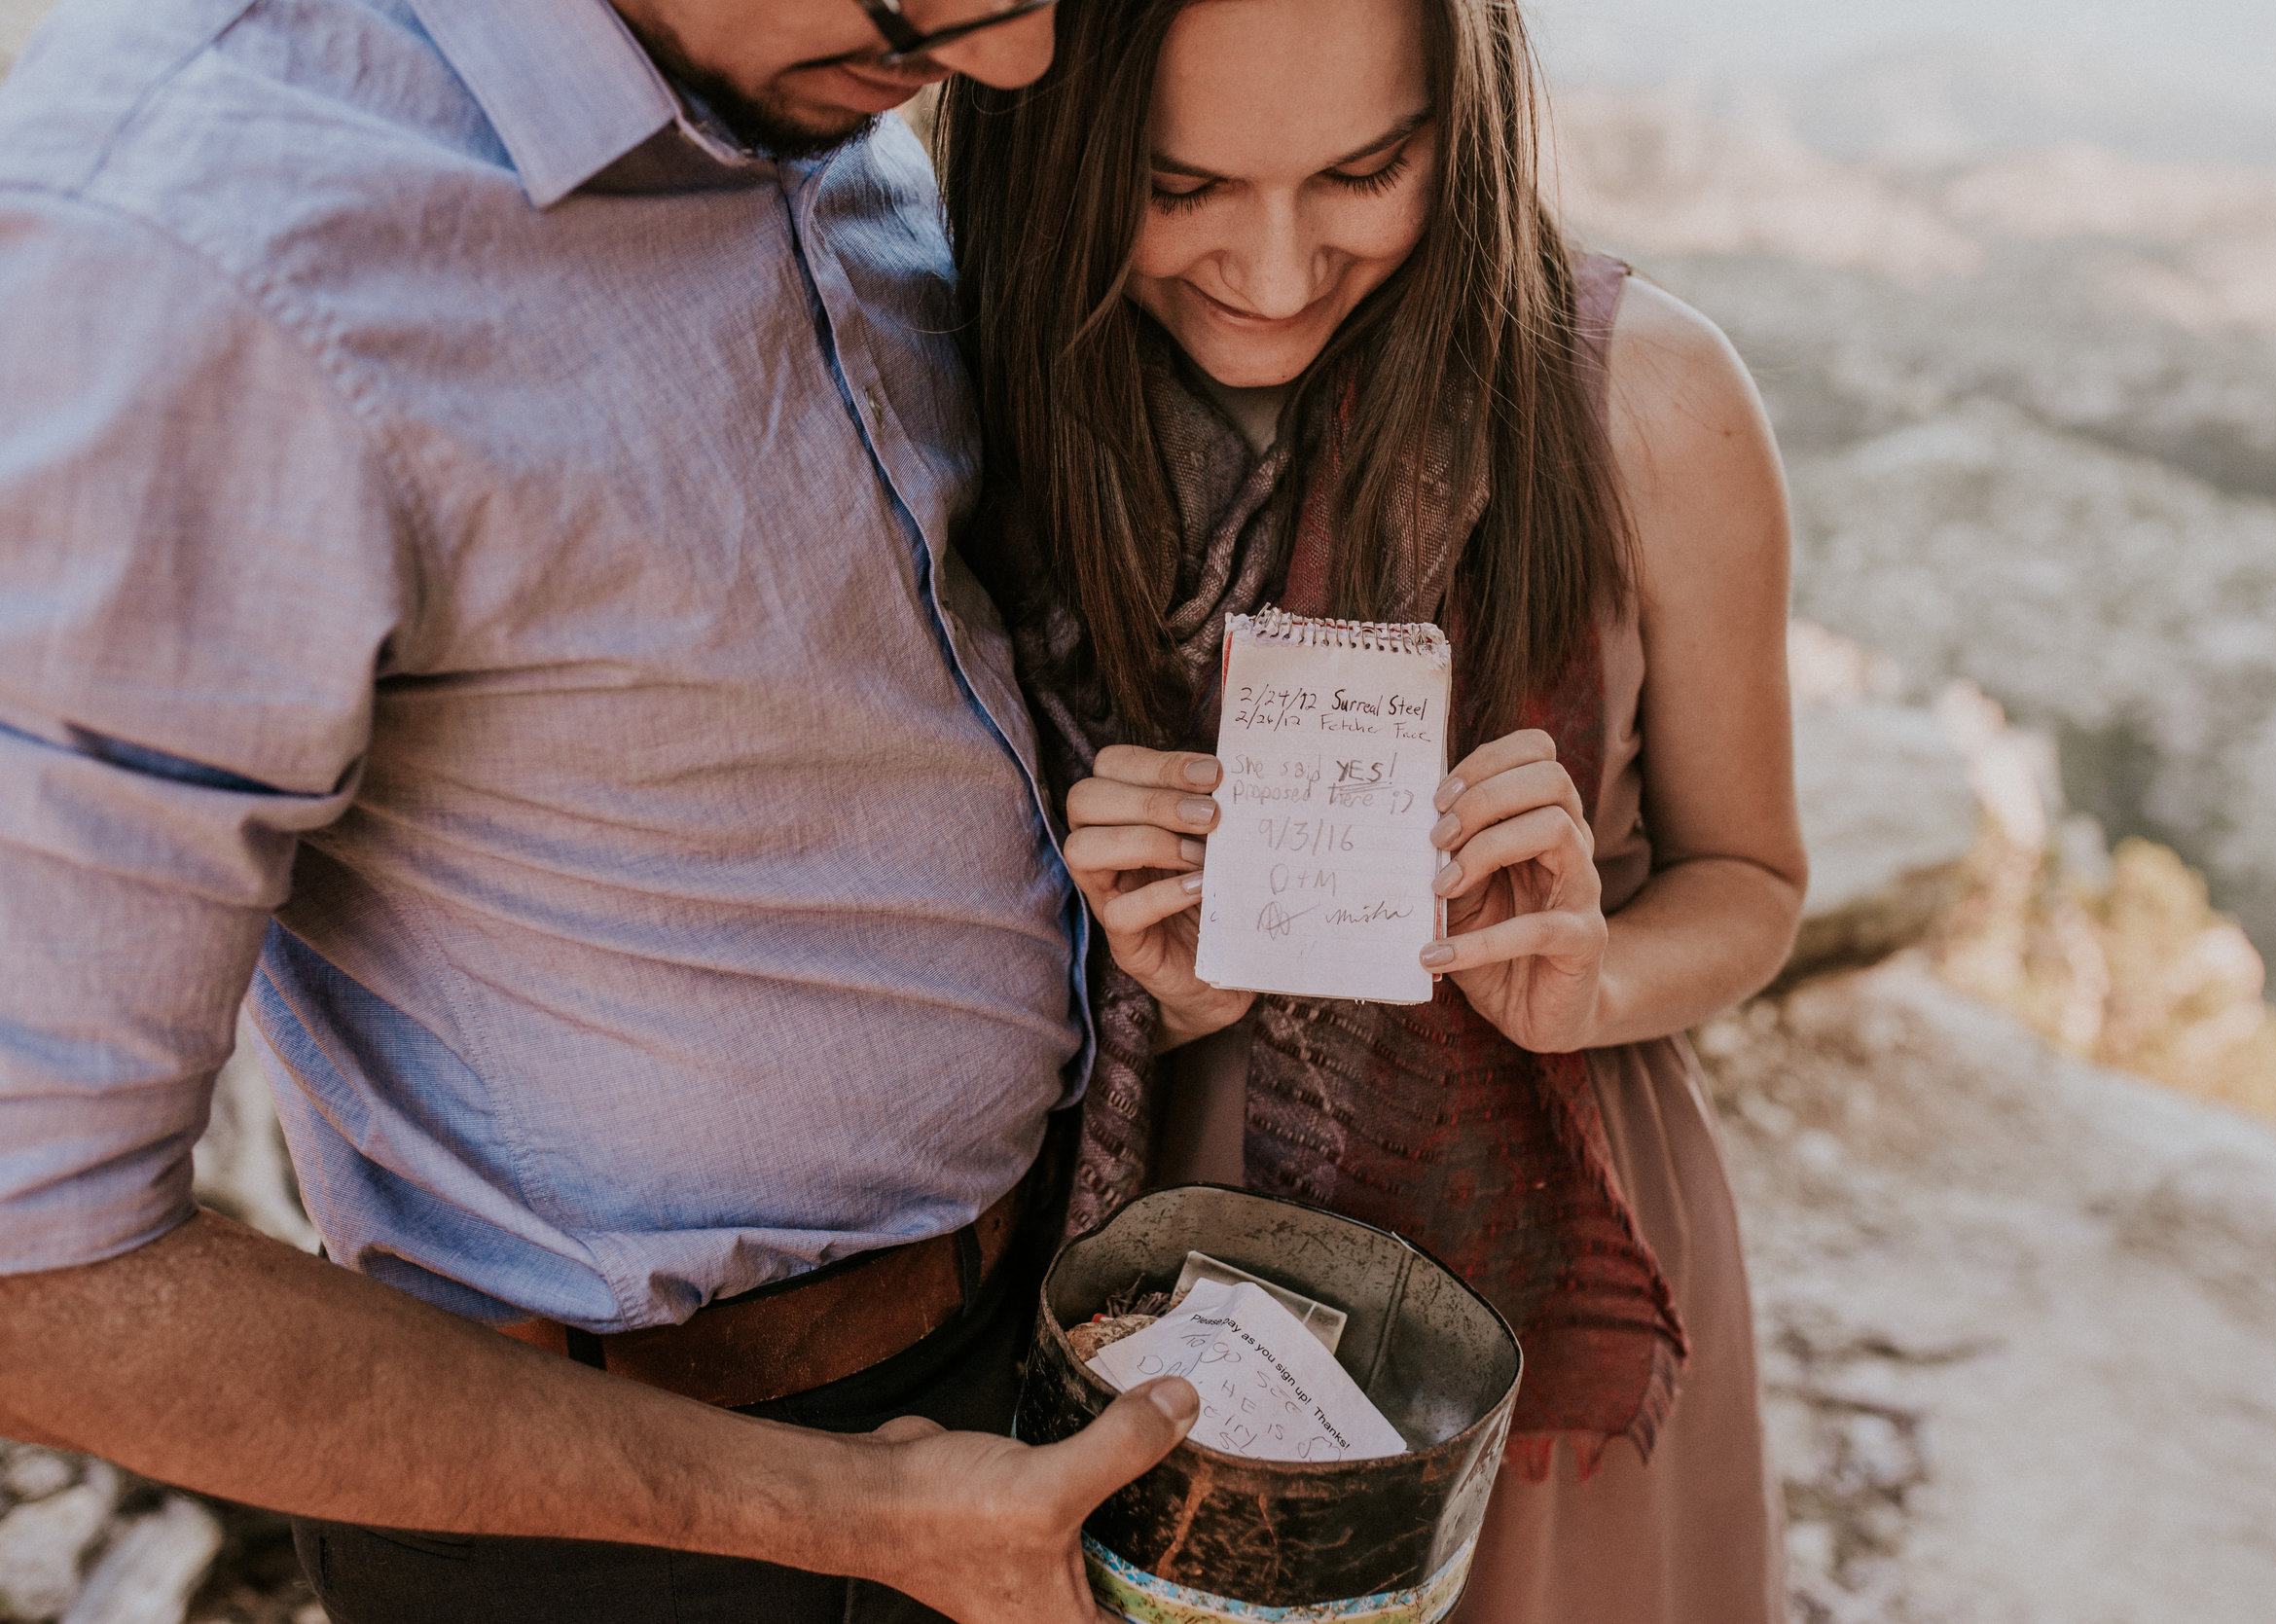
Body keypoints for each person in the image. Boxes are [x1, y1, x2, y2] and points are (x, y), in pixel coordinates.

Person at [0, 1, 1206, 1620]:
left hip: (1004, 1371)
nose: (1014, 65)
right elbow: (33, 1274)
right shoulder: (177, 246)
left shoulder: (797, 78)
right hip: (621, 1530)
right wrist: (858, 1511)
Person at [940, 0, 1806, 1616]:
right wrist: (1140, 986)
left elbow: (1753, 878)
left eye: (1363, 172)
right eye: (1176, 185)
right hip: (1141, 1255)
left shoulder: (1652, 407)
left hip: (1539, 1235)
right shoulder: (972, 403)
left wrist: (1589, 974)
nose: (1272, 272)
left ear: (1461, 126)